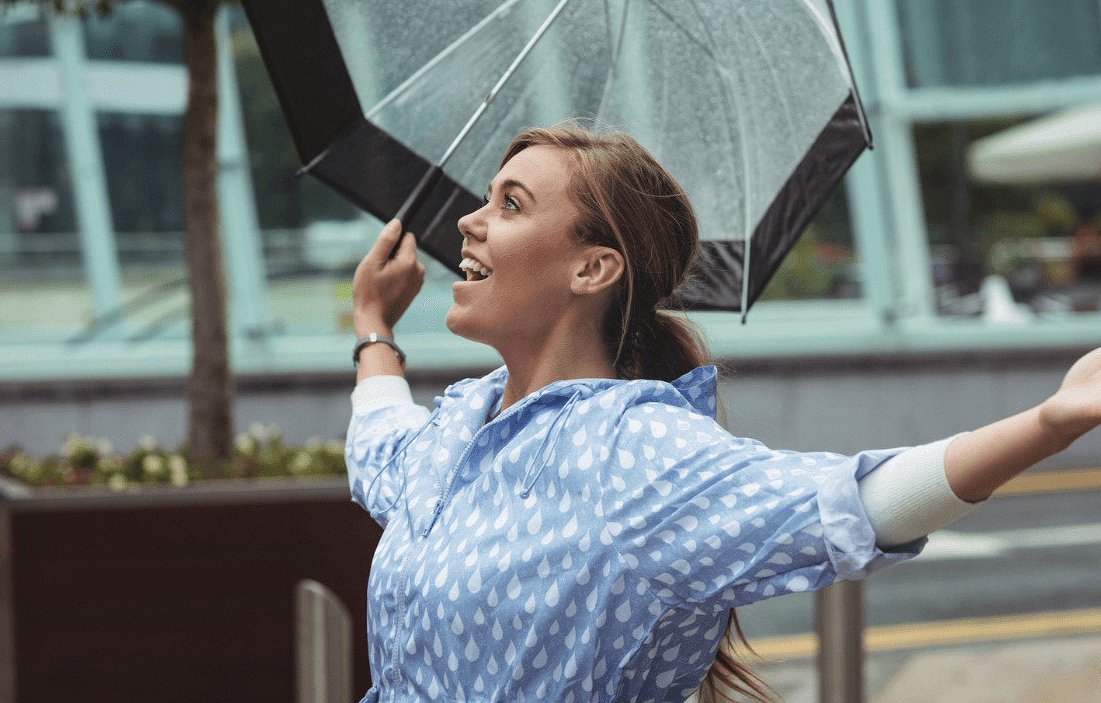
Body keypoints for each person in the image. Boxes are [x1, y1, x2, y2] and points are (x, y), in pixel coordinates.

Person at [345, 124, 1101, 703]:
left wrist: (1050, 423)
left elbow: (853, 504)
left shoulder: (631, 449)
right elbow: (382, 445)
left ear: (592, 268)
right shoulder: (460, 421)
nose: (470, 222)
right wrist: (373, 325)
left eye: (510, 204)